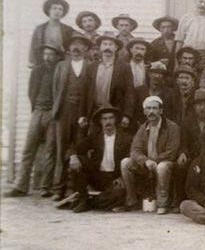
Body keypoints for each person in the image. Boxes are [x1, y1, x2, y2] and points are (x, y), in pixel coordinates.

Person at [4, 45, 64, 197]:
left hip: (52, 114)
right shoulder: (37, 71)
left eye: (51, 54)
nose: (47, 57)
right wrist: (36, 109)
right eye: (45, 54)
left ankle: (46, 187)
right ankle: (20, 186)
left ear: (57, 57)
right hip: (37, 111)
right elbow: (31, 92)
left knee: (50, 151)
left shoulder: (61, 70)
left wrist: (55, 112)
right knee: (28, 149)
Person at [118, 96, 180, 214]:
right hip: (147, 164)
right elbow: (135, 150)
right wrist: (146, 161)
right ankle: (132, 201)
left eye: (155, 108)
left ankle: (163, 203)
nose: (151, 111)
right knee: (125, 163)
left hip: (166, 163)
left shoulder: (172, 127)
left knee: (162, 167)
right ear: (144, 111)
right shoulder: (143, 128)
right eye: (149, 108)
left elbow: (171, 152)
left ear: (161, 111)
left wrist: (154, 161)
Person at [50, 33, 94, 200]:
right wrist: (57, 111)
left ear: (85, 48)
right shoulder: (61, 66)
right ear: (68, 49)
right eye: (73, 44)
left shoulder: (90, 67)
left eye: (80, 44)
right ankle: (58, 188)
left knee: (79, 149)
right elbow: (55, 90)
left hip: (81, 113)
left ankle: (75, 188)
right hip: (64, 112)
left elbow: (91, 93)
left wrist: (86, 115)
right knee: (62, 148)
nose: (76, 47)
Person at [66, 106, 131, 213]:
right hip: (96, 175)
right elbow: (76, 148)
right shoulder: (95, 137)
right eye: (104, 119)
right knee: (78, 160)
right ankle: (83, 198)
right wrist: (73, 157)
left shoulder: (126, 138)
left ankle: (89, 202)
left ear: (115, 120)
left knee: (119, 193)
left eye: (110, 118)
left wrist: (121, 177)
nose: (108, 121)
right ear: (100, 121)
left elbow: (129, 159)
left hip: (114, 178)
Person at [176, 88, 205, 210]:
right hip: (192, 157)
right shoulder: (187, 121)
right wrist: (182, 153)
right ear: (194, 106)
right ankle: (180, 200)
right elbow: (183, 142)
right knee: (178, 167)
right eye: (199, 104)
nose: (202, 108)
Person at [86, 33, 135, 130]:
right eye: (104, 44)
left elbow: (130, 93)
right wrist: (83, 115)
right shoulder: (91, 67)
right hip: (94, 112)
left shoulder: (124, 68)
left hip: (114, 112)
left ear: (116, 47)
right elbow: (85, 92)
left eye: (110, 44)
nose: (107, 47)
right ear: (100, 47)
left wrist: (127, 115)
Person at [29, 0, 74, 66]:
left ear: (63, 12)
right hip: (43, 62)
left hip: (61, 62)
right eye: (54, 8)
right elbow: (33, 46)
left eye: (60, 9)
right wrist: (32, 62)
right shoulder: (40, 29)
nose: (57, 11)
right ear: (49, 10)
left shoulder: (68, 29)